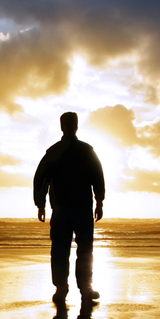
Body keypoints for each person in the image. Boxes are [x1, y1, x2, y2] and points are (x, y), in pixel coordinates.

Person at [33, 111, 104, 302]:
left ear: (64, 127)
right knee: (74, 249)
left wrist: (99, 201)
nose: (71, 126)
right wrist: (40, 204)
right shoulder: (76, 151)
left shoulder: (62, 151)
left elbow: (97, 177)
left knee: (65, 250)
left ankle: (73, 288)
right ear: (72, 126)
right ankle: (72, 288)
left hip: (71, 208)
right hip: (70, 209)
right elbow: (42, 178)